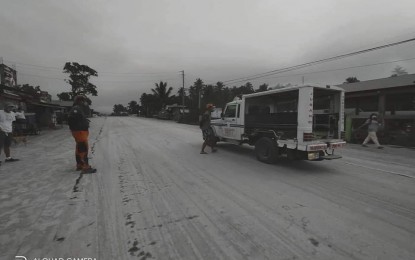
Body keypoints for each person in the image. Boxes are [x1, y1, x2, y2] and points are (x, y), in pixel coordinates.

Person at [68, 95, 97, 173]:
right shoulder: (76, 109)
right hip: (80, 131)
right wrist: (80, 124)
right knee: (83, 149)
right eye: (84, 101)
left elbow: (85, 114)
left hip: (80, 131)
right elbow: (73, 119)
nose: (85, 102)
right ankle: (85, 167)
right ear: (80, 101)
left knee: (79, 149)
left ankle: (80, 165)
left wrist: (84, 121)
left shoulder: (78, 108)